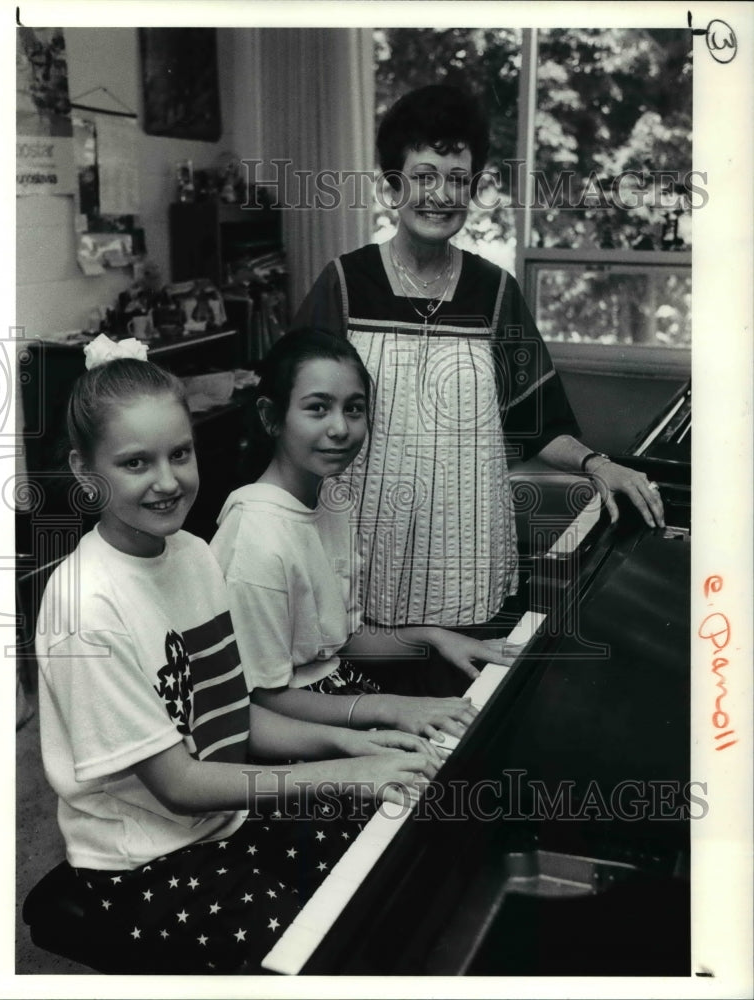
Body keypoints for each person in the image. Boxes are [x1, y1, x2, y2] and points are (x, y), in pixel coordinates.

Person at [33, 335, 441, 975]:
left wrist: (353, 748)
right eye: (135, 463)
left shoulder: (192, 556)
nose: (168, 481)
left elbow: (229, 715)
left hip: (225, 817)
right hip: (143, 860)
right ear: (87, 473)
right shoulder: (84, 610)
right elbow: (179, 785)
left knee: (387, 869)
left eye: (180, 454)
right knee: (324, 951)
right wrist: (333, 776)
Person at [292, 83, 665, 630]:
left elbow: (537, 423)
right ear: (392, 186)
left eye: (458, 180)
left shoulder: (494, 293)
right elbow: (292, 418)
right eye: (423, 176)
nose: (441, 195)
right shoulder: (345, 284)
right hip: (358, 553)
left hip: (462, 562)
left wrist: (599, 464)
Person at [210, 329, 519, 744]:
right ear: (271, 417)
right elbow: (259, 699)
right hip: (288, 730)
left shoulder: (333, 499)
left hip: (339, 694)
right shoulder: (256, 536)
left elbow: (341, 638)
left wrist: (433, 636)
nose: (340, 428)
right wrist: (390, 707)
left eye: (354, 409)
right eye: (318, 408)